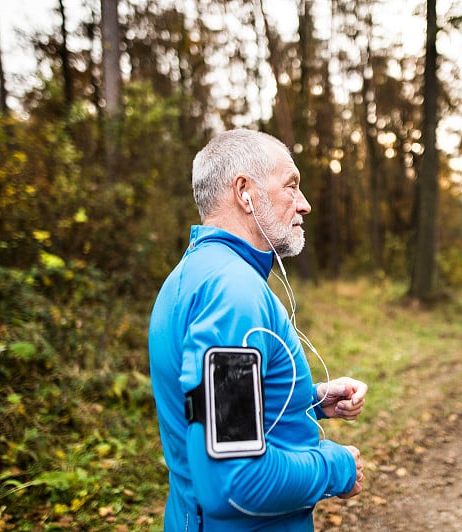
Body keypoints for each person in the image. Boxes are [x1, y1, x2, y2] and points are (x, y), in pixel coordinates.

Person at [148, 129, 367, 531]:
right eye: (292, 185)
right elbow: (234, 481)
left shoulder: (191, 276)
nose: (305, 205)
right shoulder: (233, 295)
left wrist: (311, 401)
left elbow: (209, 410)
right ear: (244, 191)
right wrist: (336, 467)